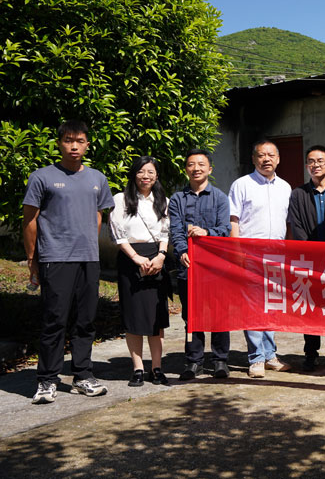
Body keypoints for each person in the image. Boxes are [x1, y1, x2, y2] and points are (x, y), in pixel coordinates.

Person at [24, 120, 114, 403]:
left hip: (88, 258)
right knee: (55, 320)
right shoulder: (42, 177)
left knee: (86, 320)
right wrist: (32, 258)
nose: (74, 146)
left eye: (80, 141)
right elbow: (30, 220)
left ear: (87, 144)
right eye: (68, 140)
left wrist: (89, 243)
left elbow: (98, 214)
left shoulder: (97, 178)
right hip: (56, 257)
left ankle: (83, 375)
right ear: (59, 143)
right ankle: (47, 380)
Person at [229, 139, 293, 379]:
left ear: (278, 159)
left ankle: (270, 355)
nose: (266, 159)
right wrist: (236, 252)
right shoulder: (242, 185)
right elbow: (233, 220)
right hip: (250, 254)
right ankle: (256, 358)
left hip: (277, 254)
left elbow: (287, 223)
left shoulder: (285, 187)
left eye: (271, 155)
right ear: (254, 159)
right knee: (253, 306)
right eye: (261, 155)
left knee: (271, 305)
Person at [168, 149, 232, 380]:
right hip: (189, 267)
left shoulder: (220, 198)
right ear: (186, 169)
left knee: (219, 314)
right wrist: (182, 251)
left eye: (201, 164)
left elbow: (225, 229)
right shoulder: (177, 199)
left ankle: (220, 360)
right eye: (191, 164)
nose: (196, 168)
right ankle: (194, 361)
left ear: (210, 169)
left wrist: (206, 233)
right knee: (191, 316)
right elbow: (175, 230)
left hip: (215, 267)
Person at [286, 145, 325, 372]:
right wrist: (311, 253)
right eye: (311, 161)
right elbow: (296, 227)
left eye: (320, 161)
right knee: (310, 310)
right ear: (307, 166)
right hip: (309, 261)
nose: (316, 165)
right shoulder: (298, 194)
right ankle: (310, 354)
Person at [109, 156, 171, 388]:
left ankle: (157, 368)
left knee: (156, 317)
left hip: (156, 259)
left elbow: (165, 232)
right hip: (130, 260)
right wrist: (135, 258)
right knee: (133, 316)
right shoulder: (121, 199)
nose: (146, 176)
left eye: (151, 172)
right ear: (134, 174)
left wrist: (161, 256)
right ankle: (137, 368)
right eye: (141, 172)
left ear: (157, 176)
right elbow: (117, 233)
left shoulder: (163, 200)